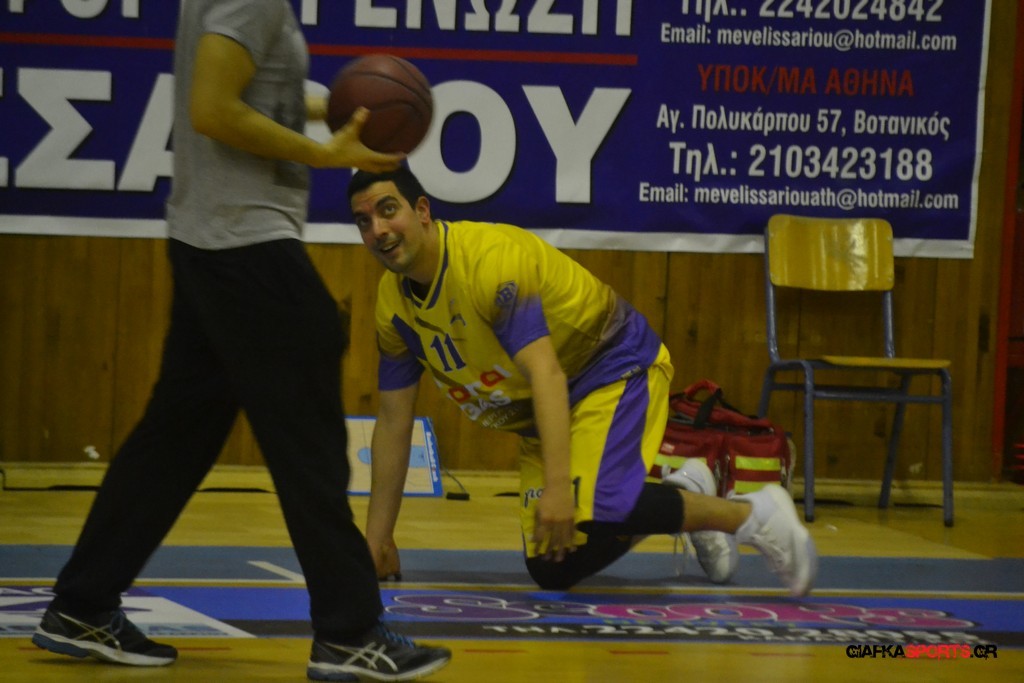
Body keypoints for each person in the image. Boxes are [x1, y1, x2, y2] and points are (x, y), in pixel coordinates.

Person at [31, 2, 450, 681]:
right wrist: (324, 154)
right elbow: (211, 109)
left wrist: (334, 111)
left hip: (209, 241)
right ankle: (348, 631)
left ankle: (82, 603)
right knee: (310, 438)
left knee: (174, 440)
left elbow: (243, 91)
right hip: (245, 244)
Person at [348, 166, 818, 596]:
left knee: (593, 507)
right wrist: (377, 541)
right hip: (544, 414)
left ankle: (752, 515)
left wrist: (559, 487)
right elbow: (393, 420)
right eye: (364, 221)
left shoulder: (489, 263)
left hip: (610, 369)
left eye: (388, 210)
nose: (378, 230)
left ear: (422, 211)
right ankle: (684, 497)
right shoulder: (393, 309)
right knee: (552, 565)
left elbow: (546, 373)